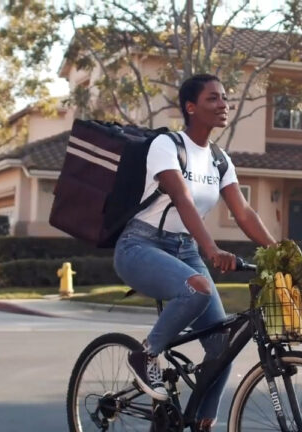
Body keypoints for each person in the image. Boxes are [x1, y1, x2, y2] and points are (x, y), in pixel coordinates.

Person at [113, 73, 277, 431]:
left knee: (221, 348)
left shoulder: (220, 160)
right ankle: (146, 354)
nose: (223, 105)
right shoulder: (167, 146)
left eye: (224, 98)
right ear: (191, 107)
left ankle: (200, 421)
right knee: (198, 288)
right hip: (140, 245)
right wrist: (212, 248)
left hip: (184, 248)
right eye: (213, 99)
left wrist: (280, 253)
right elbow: (182, 199)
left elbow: (244, 212)